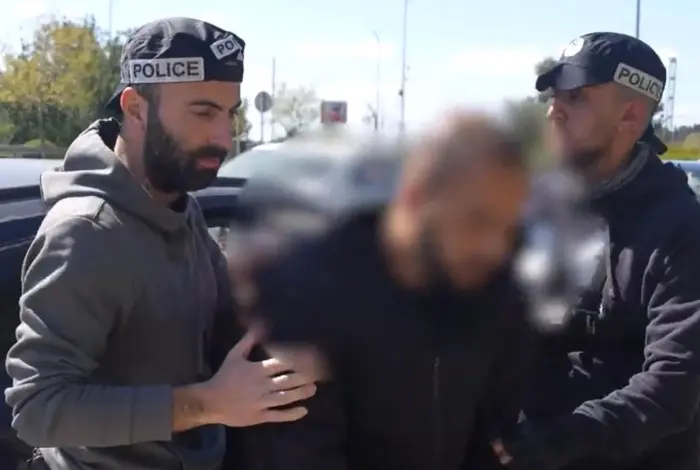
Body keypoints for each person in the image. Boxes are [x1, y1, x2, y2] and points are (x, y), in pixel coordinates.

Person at [4, 17, 317, 470]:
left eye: (229, 114)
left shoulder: (178, 207)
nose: (224, 137)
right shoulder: (87, 232)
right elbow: (38, 409)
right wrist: (207, 404)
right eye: (203, 112)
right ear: (136, 108)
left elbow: (223, 319)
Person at [239, 113, 536, 470]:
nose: (493, 247)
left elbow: (492, 438)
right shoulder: (309, 293)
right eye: (476, 221)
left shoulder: (496, 298)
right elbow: (299, 451)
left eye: (508, 228)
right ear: (414, 198)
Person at [492, 32, 700, 470]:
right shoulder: (533, 207)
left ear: (631, 115)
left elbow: (674, 385)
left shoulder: (682, 231)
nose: (553, 111)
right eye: (554, 97)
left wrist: (560, 439)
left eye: (576, 97)